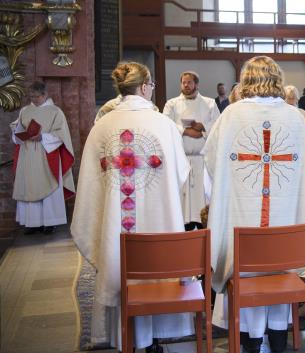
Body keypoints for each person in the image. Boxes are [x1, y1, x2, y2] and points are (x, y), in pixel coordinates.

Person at [204, 56, 305, 353]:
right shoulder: (296, 117)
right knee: (281, 270)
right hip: (287, 234)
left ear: (246, 80)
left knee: (247, 269)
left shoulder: (231, 116)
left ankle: (252, 340)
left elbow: (210, 163)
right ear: (276, 79)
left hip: (242, 231)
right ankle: (276, 337)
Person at [71, 62, 194, 353]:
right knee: (155, 269)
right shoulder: (163, 124)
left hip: (117, 226)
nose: (152, 90)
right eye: (151, 86)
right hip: (156, 219)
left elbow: (90, 183)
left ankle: (126, 338)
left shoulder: (102, 126)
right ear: (143, 86)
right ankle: (152, 341)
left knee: (118, 260)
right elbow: (180, 173)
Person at [11, 81, 75, 234]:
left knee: (49, 185)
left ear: (45, 94)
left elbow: (62, 135)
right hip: (27, 156)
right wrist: (18, 131)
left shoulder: (55, 111)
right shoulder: (25, 111)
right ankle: (32, 223)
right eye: (31, 96)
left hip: (47, 155)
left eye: (36, 96)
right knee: (29, 187)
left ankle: (49, 223)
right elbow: (18, 129)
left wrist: (43, 137)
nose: (33, 99)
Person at [162, 71, 221, 231]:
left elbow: (217, 126)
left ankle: (203, 228)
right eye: (183, 82)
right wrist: (186, 131)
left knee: (201, 198)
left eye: (189, 82)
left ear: (196, 84)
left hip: (202, 160)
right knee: (182, 200)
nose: (186, 85)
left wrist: (202, 128)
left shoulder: (209, 103)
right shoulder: (172, 104)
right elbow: (165, 124)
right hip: (181, 159)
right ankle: (183, 228)